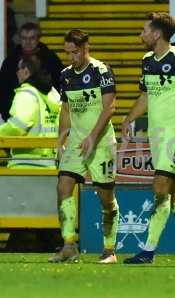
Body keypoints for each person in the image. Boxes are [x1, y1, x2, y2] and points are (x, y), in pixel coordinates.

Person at [121, 13, 175, 264]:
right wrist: (128, 118)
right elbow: (145, 97)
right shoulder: (146, 61)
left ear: (156, 34)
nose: (141, 35)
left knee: (160, 188)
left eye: (144, 30)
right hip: (156, 135)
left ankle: (148, 250)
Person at [48, 29, 119, 263]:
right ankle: (69, 245)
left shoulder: (102, 71)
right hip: (77, 143)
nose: (72, 58)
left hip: (101, 143)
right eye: (68, 53)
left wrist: (93, 137)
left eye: (75, 52)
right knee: (63, 187)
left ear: (86, 48)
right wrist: (61, 138)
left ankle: (110, 251)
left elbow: (109, 108)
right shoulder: (66, 75)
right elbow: (66, 109)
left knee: (105, 197)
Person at [0, 55, 60, 168]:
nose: (17, 73)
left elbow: (18, 126)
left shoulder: (26, 93)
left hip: (25, 164)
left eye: (18, 69)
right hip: (50, 163)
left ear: (26, 71)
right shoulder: (53, 93)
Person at [0, 22, 64, 121]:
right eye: (24, 38)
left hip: (46, 116)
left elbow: (60, 85)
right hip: (17, 116)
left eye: (32, 38)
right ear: (19, 39)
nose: (28, 42)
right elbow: (3, 90)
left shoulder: (50, 59)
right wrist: (8, 116)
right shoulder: (10, 62)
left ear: (38, 38)